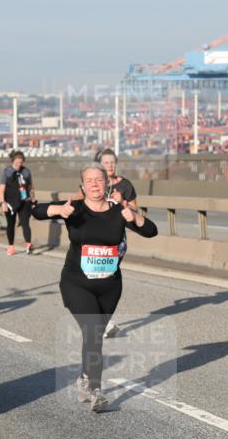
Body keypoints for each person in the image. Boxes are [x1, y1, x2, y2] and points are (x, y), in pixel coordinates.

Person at [32, 163, 157, 412]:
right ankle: (96, 390)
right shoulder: (74, 209)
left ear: (107, 183)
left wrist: (136, 217)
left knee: (96, 335)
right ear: (82, 186)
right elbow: (36, 211)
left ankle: (85, 378)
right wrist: (58, 209)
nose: (95, 184)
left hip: (109, 286)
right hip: (76, 282)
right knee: (92, 330)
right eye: (89, 181)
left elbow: (151, 231)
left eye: (99, 180)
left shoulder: (118, 210)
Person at [95, 148, 138, 339]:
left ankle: (102, 321)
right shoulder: (94, 183)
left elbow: (136, 208)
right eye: (106, 162)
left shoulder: (126, 185)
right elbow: (80, 202)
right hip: (96, 238)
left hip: (117, 238)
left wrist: (124, 203)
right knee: (98, 278)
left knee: (108, 277)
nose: (110, 166)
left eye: (112, 162)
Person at [0, 150, 34, 256]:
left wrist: (33, 199)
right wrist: (2, 202)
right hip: (10, 202)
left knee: (25, 223)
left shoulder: (26, 171)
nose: (19, 165)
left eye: (21, 162)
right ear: (12, 161)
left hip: (24, 201)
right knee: (11, 224)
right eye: (17, 162)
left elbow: (31, 187)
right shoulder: (7, 172)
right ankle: (11, 246)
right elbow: (1, 188)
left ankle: (28, 244)